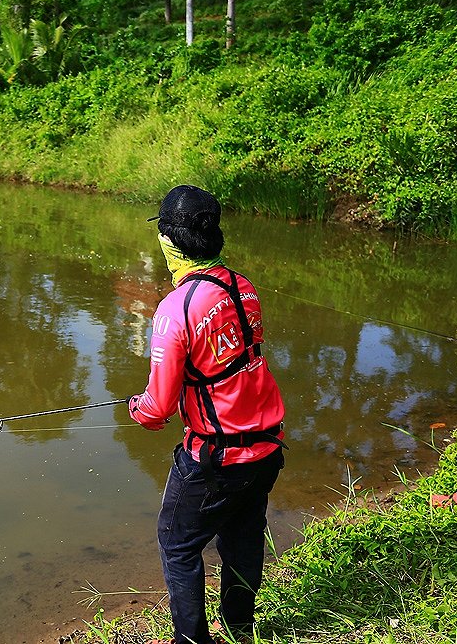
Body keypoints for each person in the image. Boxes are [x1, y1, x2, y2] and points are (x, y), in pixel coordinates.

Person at [128, 185, 286, 644]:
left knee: (177, 545)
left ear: (168, 241)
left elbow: (156, 410)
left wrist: (139, 408)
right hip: (266, 449)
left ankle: (191, 641)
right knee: (242, 540)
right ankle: (239, 630)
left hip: (215, 460)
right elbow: (228, 363)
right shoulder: (243, 286)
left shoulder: (173, 310)